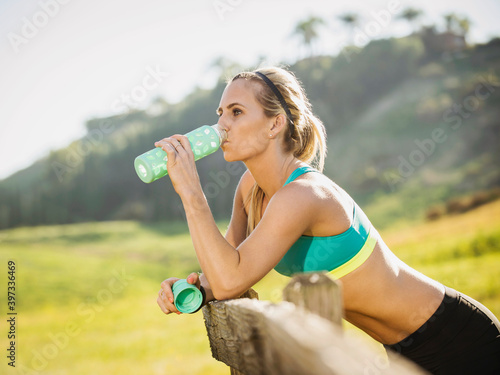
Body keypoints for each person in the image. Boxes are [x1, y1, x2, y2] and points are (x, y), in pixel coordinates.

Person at [155, 66, 500, 374]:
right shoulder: (251, 189)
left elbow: (230, 280)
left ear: (275, 123)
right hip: (401, 353)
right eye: (220, 113)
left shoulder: (303, 194)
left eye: (236, 112)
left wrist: (191, 193)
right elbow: (223, 275)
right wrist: (192, 289)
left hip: (455, 337)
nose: (221, 125)